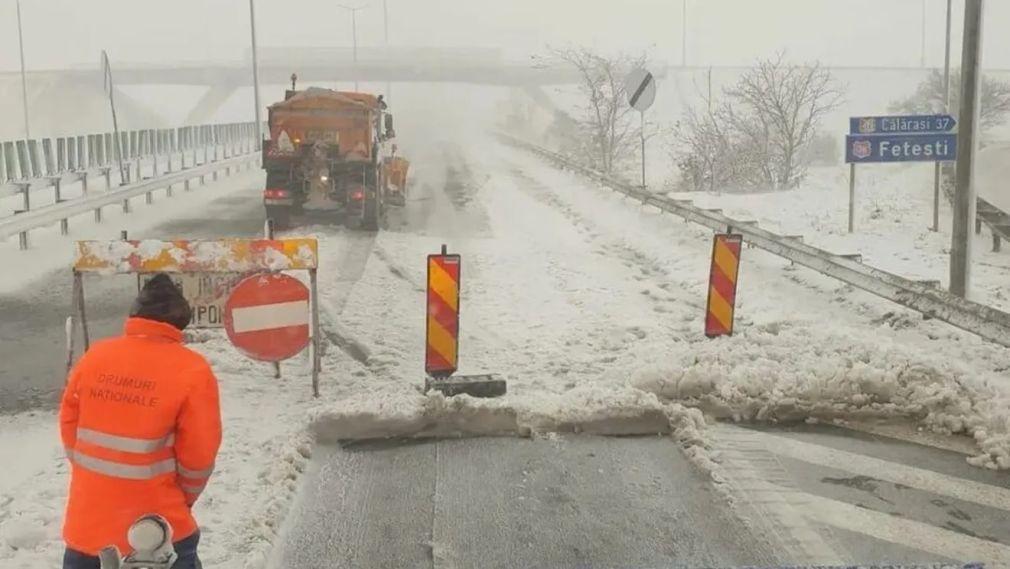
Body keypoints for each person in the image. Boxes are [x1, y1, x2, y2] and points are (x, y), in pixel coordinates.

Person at [59, 273, 222, 569]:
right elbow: (199, 456)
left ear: (135, 315)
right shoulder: (192, 370)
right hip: (158, 535)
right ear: (180, 322)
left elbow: (70, 426)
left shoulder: (96, 356)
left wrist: (98, 477)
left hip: (87, 528)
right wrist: (179, 498)